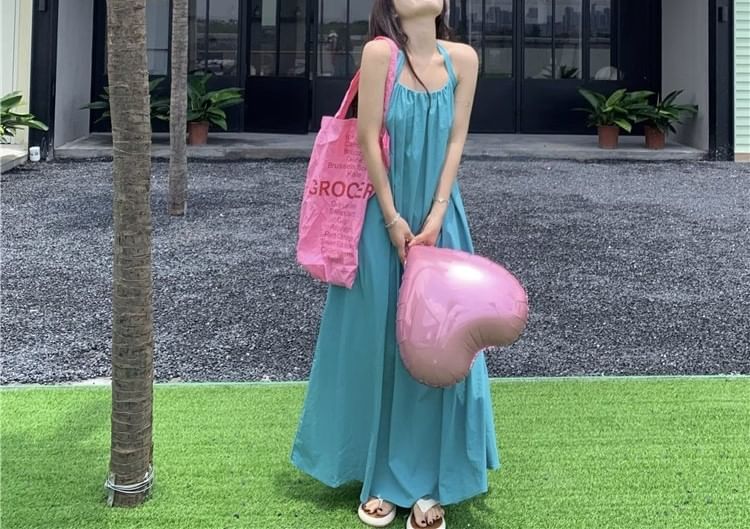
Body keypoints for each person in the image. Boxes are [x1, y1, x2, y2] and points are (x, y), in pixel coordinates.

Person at [290, 1, 500, 528]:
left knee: (440, 346)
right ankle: (379, 476)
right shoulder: (379, 54)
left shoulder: (464, 59)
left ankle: (431, 482)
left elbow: (456, 139)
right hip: (381, 222)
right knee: (378, 342)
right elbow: (367, 138)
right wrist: (392, 219)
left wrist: (437, 213)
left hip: (440, 222)